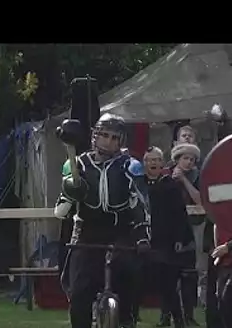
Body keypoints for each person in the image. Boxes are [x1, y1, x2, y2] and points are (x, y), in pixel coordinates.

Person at [54, 113, 151, 328]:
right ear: (94, 137)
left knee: (130, 275)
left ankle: (127, 320)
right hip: (87, 230)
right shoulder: (76, 165)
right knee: (80, 290)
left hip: (121, 230)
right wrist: (71, 192)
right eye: (104, 135)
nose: (108, 141)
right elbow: (60, 212)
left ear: (121, 141)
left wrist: (143, 235)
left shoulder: (131, 166)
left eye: (114, 137)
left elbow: (140, 204)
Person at [143, 146, 195, 328]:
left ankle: (178, 320)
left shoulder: (170, 185)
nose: (154, 163)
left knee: (168, 284)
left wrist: (180, 239)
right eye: (150, 160)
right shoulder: (137, 184)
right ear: (145, 164)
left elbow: (180, 215)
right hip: (145, 240)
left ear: (162, 163)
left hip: (167, 241)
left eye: (157, 160)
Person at [159, 141, 202, 327]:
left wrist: (184, 180)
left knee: (189, 276)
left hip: (192, 229)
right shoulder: (165, 177)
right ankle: (166, 315)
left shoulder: (197, 176)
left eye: (192, 159)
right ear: (177, 159)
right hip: (170, 232)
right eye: (185, 158)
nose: (189, 162)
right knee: (167, 277)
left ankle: (189, 316)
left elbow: (200, 199)